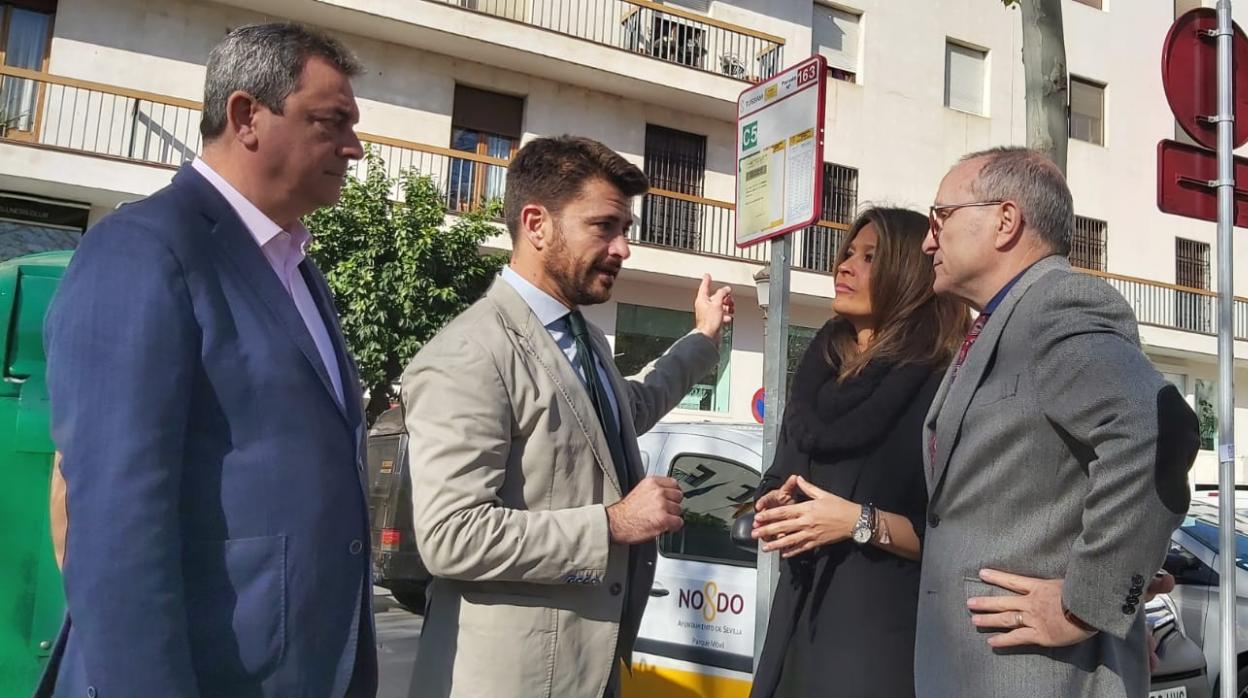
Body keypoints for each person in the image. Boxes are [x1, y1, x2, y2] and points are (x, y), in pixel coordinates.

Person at [38, 23, 376, 698]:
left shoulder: (296, 269)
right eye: (332, 122)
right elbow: (112, 530)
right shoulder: (143, 251)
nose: (355, 148)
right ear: (247, 115)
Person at [399, 135, 734, 698]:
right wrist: (613, 523)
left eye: (625, 230)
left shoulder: (584, 342)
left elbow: (633, 407)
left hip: (588, 672)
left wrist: (701, 340)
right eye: (604, 227)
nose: (623, 248)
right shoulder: (470, 352)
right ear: (536, 224)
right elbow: (450, 535)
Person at [915, 146, 1200, 697]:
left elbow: (1156, 428)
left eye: (940, 217)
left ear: (1004, 220)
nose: (929, 240)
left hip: (1039, 675)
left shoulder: (1056, 306)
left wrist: (1086, 605)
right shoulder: (1003, 321)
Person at [748, 207, 970, 698]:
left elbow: (957, 535)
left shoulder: (942, 384)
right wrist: (774, 505)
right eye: (848, 252)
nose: (845, 265)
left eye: (869, 257)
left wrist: (857, 521)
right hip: (797, 623)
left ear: (909, 276)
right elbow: (781, 472)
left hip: (882, 642)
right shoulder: (817, 376)